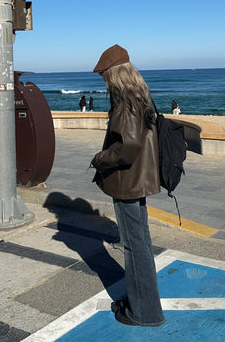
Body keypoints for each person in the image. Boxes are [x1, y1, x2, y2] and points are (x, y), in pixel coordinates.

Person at [90, 44, 165, 327]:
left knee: (135, 247)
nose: (104, 81)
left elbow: (127, 147)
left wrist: (100, 158)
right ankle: (143, 303)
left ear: (114, 75)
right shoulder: (141, 96)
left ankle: (145, 313)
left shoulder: (124, 103)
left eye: (105, 76)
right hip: (141, 179)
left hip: (127, 181)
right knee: (140, 242)